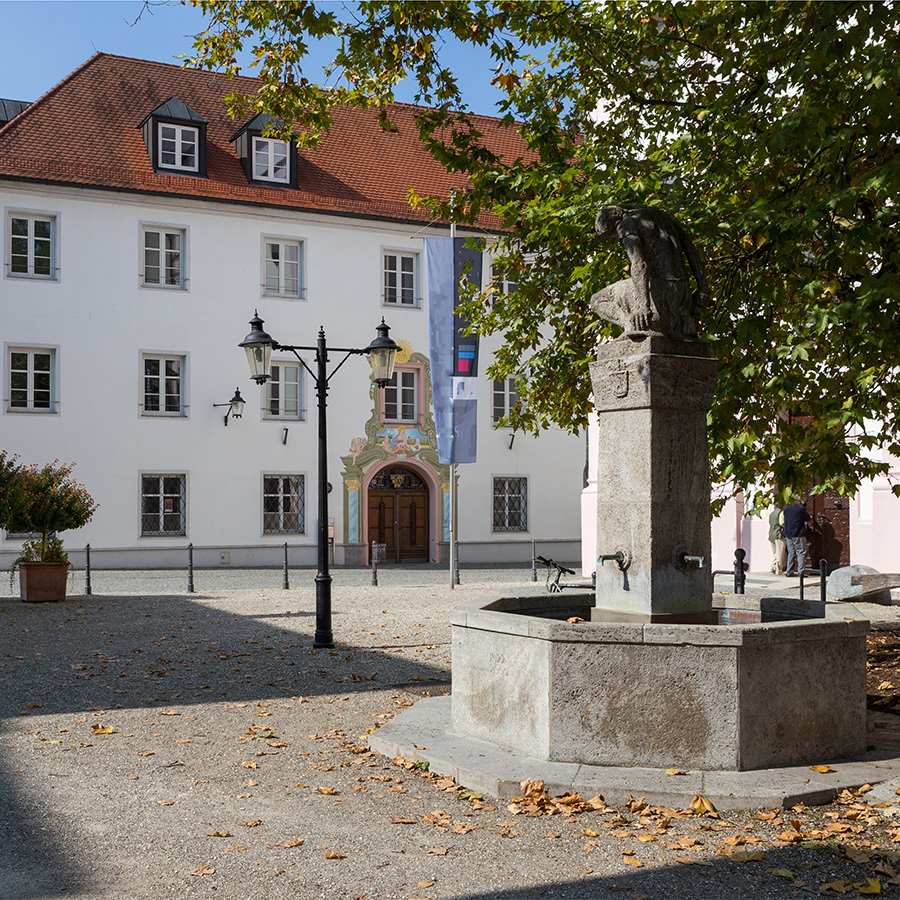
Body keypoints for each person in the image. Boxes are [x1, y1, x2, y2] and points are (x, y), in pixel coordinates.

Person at [591, 206, 711, 339]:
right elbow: (691, 250)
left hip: (658, 290)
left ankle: (630, 325)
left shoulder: (625, 224)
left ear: (615, 224)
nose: (615, 239)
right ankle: (680, 316)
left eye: (612, 236)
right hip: (682, 292)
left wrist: (643, 307)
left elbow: (639, 263)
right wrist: (703, 289)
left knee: (597, 300)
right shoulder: (660, 215)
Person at [782, 497, 811, 576]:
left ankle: (789, 571)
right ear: (799, 501)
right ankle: (801, 571)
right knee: (801, 552)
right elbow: (807, 518)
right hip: (798, 533)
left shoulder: (786, 508)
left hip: (788, 533)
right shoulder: (800, 508)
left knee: (791, 552)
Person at [768, 506, 786, 575]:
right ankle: (778, 569)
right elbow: (781, 523)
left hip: (771, 534)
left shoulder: (772, 513)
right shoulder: (781, 513)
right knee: (780, 553)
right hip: (779, 534)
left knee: (775, 553)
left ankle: (773, 567)